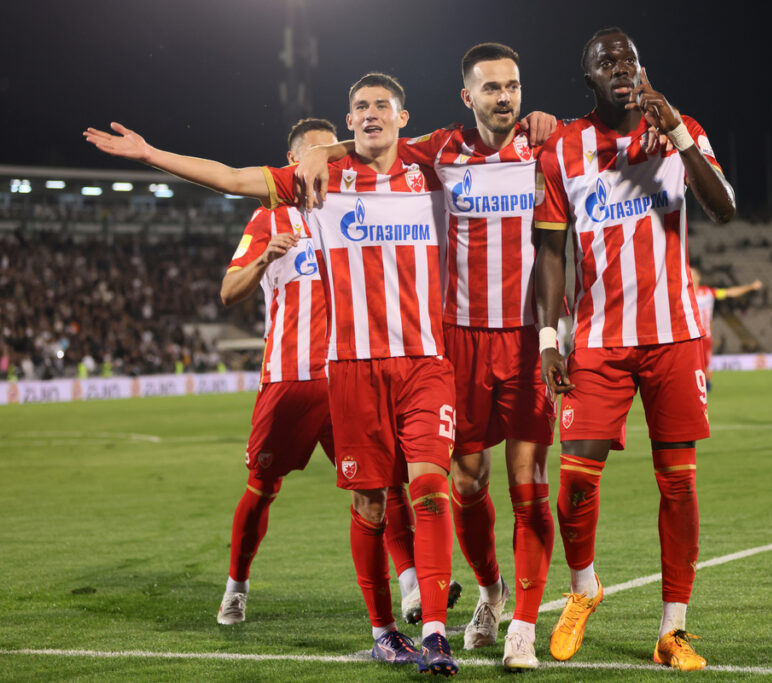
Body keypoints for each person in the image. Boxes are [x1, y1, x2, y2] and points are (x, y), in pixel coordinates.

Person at [85, 72, 461, 676]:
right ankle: (366, 624)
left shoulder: (429, 163)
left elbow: (492, 135)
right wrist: (151, 153)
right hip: (336, 372)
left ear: (402, 115)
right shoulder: (301, 195)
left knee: (422, 488)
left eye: (380, 107)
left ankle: (434, 622)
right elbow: (232, 181)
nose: (370, 115)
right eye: (359, 107)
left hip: (420, 362)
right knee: (357, 500)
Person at [297, 43, 561, 670]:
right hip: (455, 340)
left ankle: (524, 624)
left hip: (526, 338)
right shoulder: (439, 150)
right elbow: (373, 139)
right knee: (466, 482)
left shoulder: (547, 145)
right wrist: (318, 148)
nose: (505, 96)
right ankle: (492, 592)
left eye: (513, 86)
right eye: (491, 87)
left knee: (530, 482)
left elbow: (601, 143)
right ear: (467, 96)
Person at [532, 28, 735, 671]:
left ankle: (673, 628)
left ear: (643, 71)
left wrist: (676, 131)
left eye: (630, 59)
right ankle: (584, 589)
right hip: (597, 337)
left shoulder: (681, 131)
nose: (620, 68)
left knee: (678, 486)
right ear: (588, 77)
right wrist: (548, 337)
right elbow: (549, 251)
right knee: (574, 482)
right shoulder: (564, 146)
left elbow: (723, 207)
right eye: (605, 62)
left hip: (674, 335)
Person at [215, 117, 444, 629]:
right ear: (293, 165)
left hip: (351, 373)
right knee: (262, 485)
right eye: (314, 156)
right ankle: (236, 587)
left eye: (332, 154)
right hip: (290, 380)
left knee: (385, 484)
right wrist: (261, 262)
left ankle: (411, 586)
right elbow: (228, 293)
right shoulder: (267, 220)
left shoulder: (359, 204)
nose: (327, 163)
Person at [690, 266, 761, 387]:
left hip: (705, 336)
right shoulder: (683, 295)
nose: (690, 276)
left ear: (699, 277)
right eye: (688, 274)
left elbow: (730, 292)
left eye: (693, 273)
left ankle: (706, 386)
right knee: (691, 367)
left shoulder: (707, 292)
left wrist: (750, 287)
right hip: (689, 337)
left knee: (706, 368)